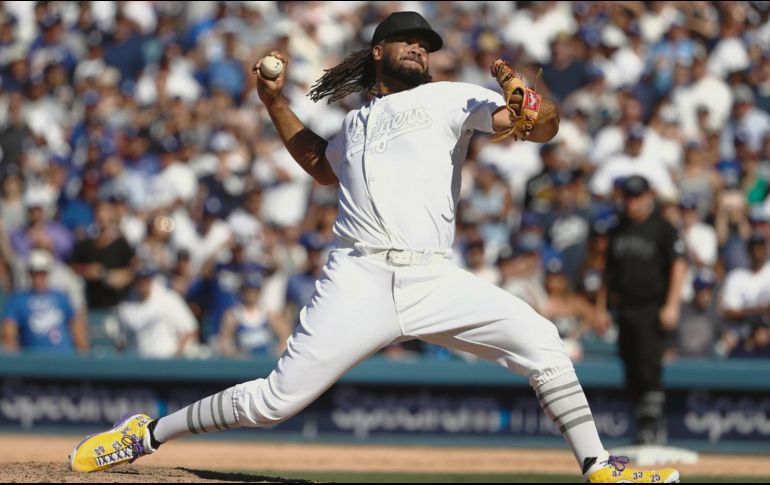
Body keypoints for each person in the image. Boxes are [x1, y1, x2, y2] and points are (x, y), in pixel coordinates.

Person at [69, 12, 678, 483]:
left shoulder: (451, 97)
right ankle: (146, 434)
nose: (420, 47)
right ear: (378, 52)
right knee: (277, 401)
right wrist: (274, 104)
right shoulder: (353, 124)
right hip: (358, 278)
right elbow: (317, 163)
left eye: (426, 43)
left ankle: (600, 467)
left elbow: (536, 128)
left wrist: (532, 109)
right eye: (408, 40)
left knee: (544, 341)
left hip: (434, 279)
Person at [596, 175, 687, 446]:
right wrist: (601, 309)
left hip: (652, 306)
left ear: (649, 196)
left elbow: (678, 265)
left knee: (649, 364)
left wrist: (672, 304)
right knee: (630, 363)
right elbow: (607, 272)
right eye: (628, 196)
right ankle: (642, 422)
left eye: (637, 196)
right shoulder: (618, 228)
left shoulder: (663, 228)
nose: (631, 202)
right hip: (625, 307)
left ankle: (652, 425)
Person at [1, 250, 88, 354]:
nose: (39, 277)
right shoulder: (18, 299)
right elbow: (9, 332)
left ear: (48, 273)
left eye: (42, 273)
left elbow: (76, 327)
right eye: (35, 273)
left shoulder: (61, 297)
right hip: (33, 361)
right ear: (29, 274)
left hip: (64, 359)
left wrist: (83, 350)